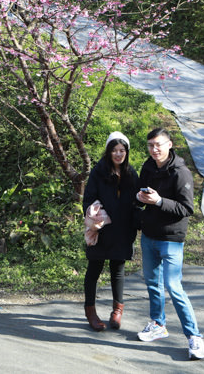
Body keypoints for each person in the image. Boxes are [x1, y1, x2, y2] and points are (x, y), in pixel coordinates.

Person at [136, 127, 204, 361]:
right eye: (150, 145)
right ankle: (158, 324)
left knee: (173, 287)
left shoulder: (181, 173)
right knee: (152, 283)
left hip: (171, 239)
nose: (154, 149)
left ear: (169, 145)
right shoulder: (147, 167)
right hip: (149, 236)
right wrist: (140, 198)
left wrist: (158, 201)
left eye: (158, 145)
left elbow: (186, 209)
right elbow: (140, 195)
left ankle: (194, 337)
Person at [81, 131, 140, 331]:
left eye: (122, 150)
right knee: (94, 269)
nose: (118, 154)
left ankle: (117, 310)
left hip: (122, 231)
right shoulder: (98, 172)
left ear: (126, 152)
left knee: (118, 271)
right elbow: (88, 198)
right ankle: (90, 311)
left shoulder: (131, 174)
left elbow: (136, 203)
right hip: (102, 230)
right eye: (114, 150)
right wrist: (95, 217)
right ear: (108, 152)